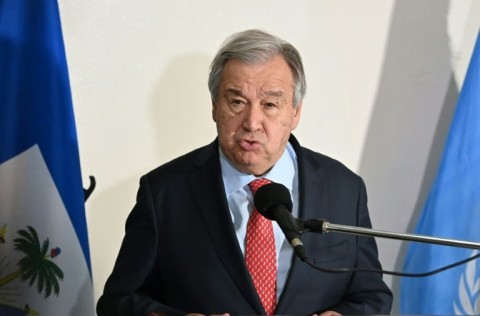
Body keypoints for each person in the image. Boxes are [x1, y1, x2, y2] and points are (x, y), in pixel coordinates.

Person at [96, 29, 393, 316]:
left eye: (270, 105)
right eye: (237, 102)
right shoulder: (164, 192)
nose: (252, 122)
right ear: (214, 106)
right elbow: (117, 303)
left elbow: (371, 295)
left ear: (295, 112)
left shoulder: (344, 188)